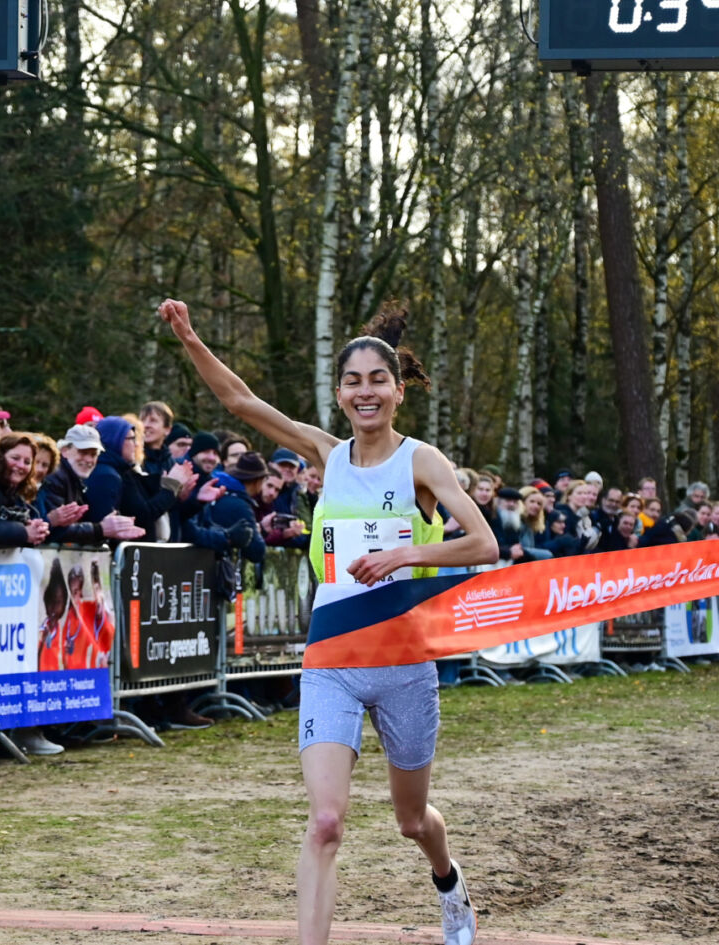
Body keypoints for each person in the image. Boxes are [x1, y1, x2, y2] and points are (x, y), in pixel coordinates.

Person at [160, 296, 493, 945]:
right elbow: (241, 403)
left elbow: (483, 543)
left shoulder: (422, 461)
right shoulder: (325, 452)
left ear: (398, 390)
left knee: (412, 819)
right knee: (325, 821)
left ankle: (449, 882)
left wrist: (407, 552)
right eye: (352, 381)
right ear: (339, 393)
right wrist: (192, 338)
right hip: (332, 659)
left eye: (377, 380)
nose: (364, 392)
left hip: (402, 660)